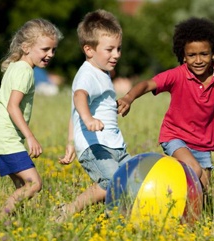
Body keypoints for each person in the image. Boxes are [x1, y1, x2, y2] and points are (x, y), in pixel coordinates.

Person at [117, 17, 214, 192]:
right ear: (184, 57)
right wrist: (128, 98)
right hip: (175, 137)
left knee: (203, 190)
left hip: (203, 143)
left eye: (204, 54)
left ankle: (190, 217)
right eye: (192, 55)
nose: (198, 60)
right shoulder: (176, 75)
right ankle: (162, 180)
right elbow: (147, 84)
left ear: (213, 54)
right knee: (194, 170)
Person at [56, 9, 131, 222]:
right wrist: (89, 119)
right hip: (96, 146)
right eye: (110, 49)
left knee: (133, 178)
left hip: (114, 145)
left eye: (118, 49)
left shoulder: (102, 73)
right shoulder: (87, 74)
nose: (116, 54)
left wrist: (70, 142)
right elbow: (79, 98)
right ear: (89, 49)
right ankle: (77, 212)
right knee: (114, 183)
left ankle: (122, 219)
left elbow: (74, 112)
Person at [0, 18, 63, 219]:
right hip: (6, 138)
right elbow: (13, 106)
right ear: (26, 47)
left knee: (22, 187)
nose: (50, 55)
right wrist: (30, 136)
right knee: (34, 183)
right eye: (45, 49)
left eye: (53, 50)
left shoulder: (16, 66)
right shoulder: (25, 71)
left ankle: (14, 223)